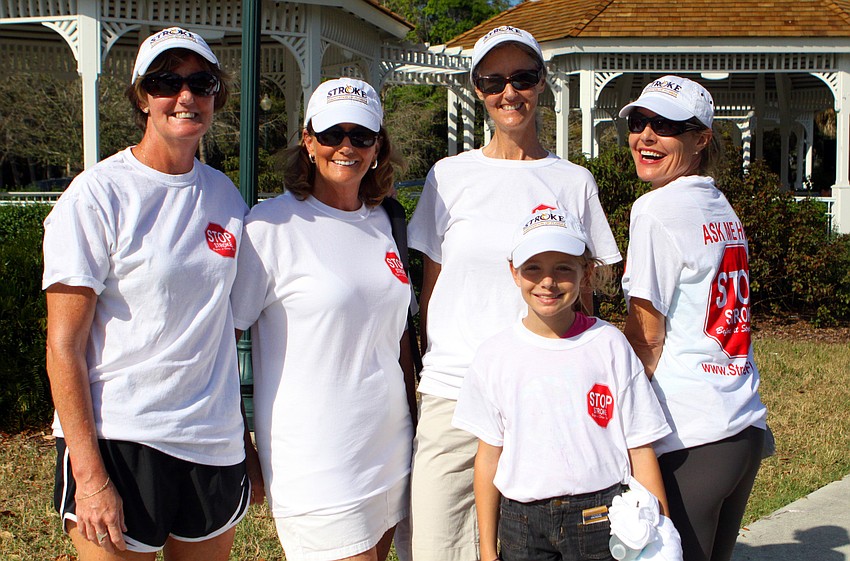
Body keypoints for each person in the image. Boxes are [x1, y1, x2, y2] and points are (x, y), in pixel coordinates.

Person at [42, 27, 261, 561]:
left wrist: (244, 441)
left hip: (211, 442)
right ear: (142, 96)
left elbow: (221, 328)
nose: (185, 96)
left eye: (201, 83)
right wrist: (89, 476)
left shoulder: (225, 195)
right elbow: (63, 347)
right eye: (166, 82)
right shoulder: (98, 194)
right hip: (122, 438)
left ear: (216, 96)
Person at [406, 25, 622, 561]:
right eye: (493, 80)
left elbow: (586, 298)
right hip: (455, 392)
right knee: (436, 548)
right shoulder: (447, 176)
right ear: (477, 89)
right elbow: (431, 287)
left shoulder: (574, 182)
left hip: (548, 394)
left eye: (523, 78)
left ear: (542, 82)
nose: (509, 92)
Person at [230, 77, 416, 561]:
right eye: (332, 134)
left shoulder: (386, 221)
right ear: (308, 141)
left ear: (378, 147)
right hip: (317, 462)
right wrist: (239, 444)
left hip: (390, 446)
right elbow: (222, 344)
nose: (346, 147)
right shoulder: (270, 227)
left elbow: (396, 336)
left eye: (361, 135)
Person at [452, 209, 674, 561]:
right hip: (520, 525)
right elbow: (488, 457)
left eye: (563, 268)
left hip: (600, 518)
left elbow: (639, 446)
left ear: (586, 273)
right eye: (533, 268)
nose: (548, 281)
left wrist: (663, 537)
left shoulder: (610, 345)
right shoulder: (494, 355)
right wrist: (488, 552)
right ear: (513, 272)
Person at [619, 75, 768, 561]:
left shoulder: (655, 209)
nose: (646, 136)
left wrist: (616, 414)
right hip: (741, 428)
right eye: (639, 122)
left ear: (701, 139)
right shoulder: (716, 203)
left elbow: (647, 337)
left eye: (665, 126)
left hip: (692, 434)